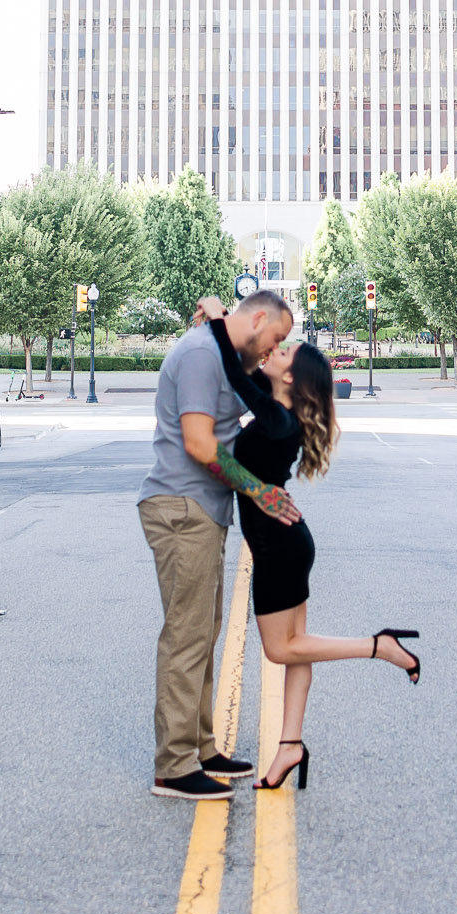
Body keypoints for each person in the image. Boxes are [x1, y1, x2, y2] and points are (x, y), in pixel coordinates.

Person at [197, 296, 422, 791]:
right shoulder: (277, 403)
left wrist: (217, 318)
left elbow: (234, 375)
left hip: (278, 548)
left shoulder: (278, 419)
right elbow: (242, 369)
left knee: (282, 650)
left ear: (291, 377)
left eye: (283, 351)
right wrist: (229, 327)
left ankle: (379, 646)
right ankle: (289, 747)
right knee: (297, 648)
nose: (274, 349)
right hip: (288, 542)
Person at [137, 289, 297, 801]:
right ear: (258, 319)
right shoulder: (202, 356)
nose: (273, 351)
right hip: (181, 507)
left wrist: (218, 313)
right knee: (187, 637)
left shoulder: (222, 351)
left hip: (201, 509)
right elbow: (199, 443)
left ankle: (202, 747)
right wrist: (259, 491)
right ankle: (174, 766)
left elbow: (242, 367)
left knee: (203, 633)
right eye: (276, 338)